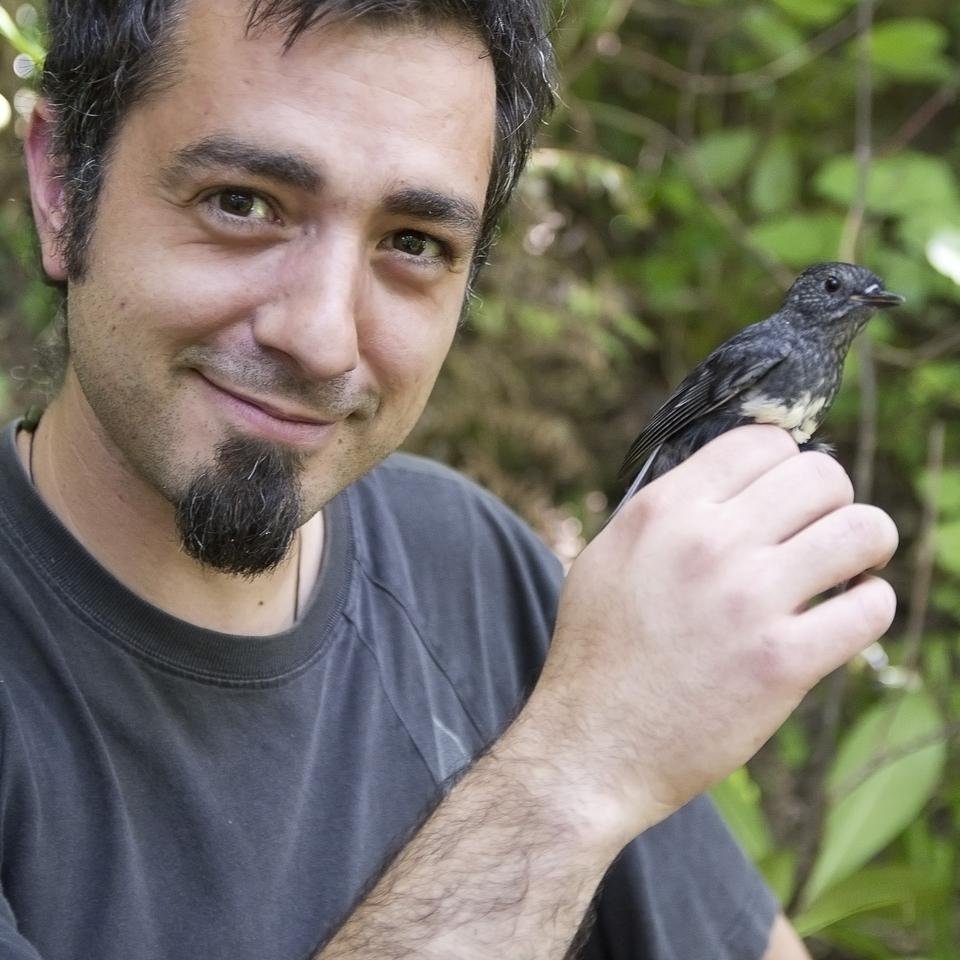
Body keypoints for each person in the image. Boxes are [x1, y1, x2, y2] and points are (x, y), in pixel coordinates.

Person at [0, 0, 898, 957]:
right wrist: (574, 773)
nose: (321, 338)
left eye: (413, 243)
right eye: (242, 202)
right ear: (62, 186)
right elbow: (588, 757)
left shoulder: (477, 566)